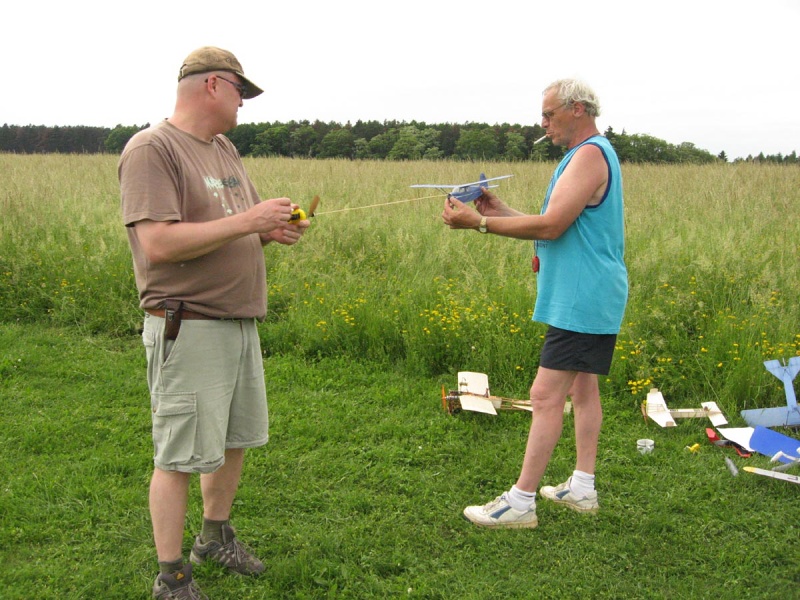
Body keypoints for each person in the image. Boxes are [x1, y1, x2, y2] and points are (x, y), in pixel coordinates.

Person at [119, 47, 310, 598]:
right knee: (179, 453)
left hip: (237, 320)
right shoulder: (152, 149)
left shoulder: (223, 149)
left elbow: (232, 225)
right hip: (189, 323)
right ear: (213, 86)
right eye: (240, 92)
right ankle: (172, 576)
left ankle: (214, 536)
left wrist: (268, 230)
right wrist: (251, 220)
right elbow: (156, 243)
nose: (243, 104)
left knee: (233, 439)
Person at [441, 79, 628, 529]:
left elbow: (552, 228)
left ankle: (520, 503)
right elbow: (552, 220)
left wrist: (479, 222)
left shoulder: (588, 154)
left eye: (549, 115)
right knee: (583, 389)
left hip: (581, 297)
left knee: (545, 395)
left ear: (577, 109)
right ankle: (582, 487)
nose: (542, 124)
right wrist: (498, 208)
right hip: (587, 293)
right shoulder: (587, 154)